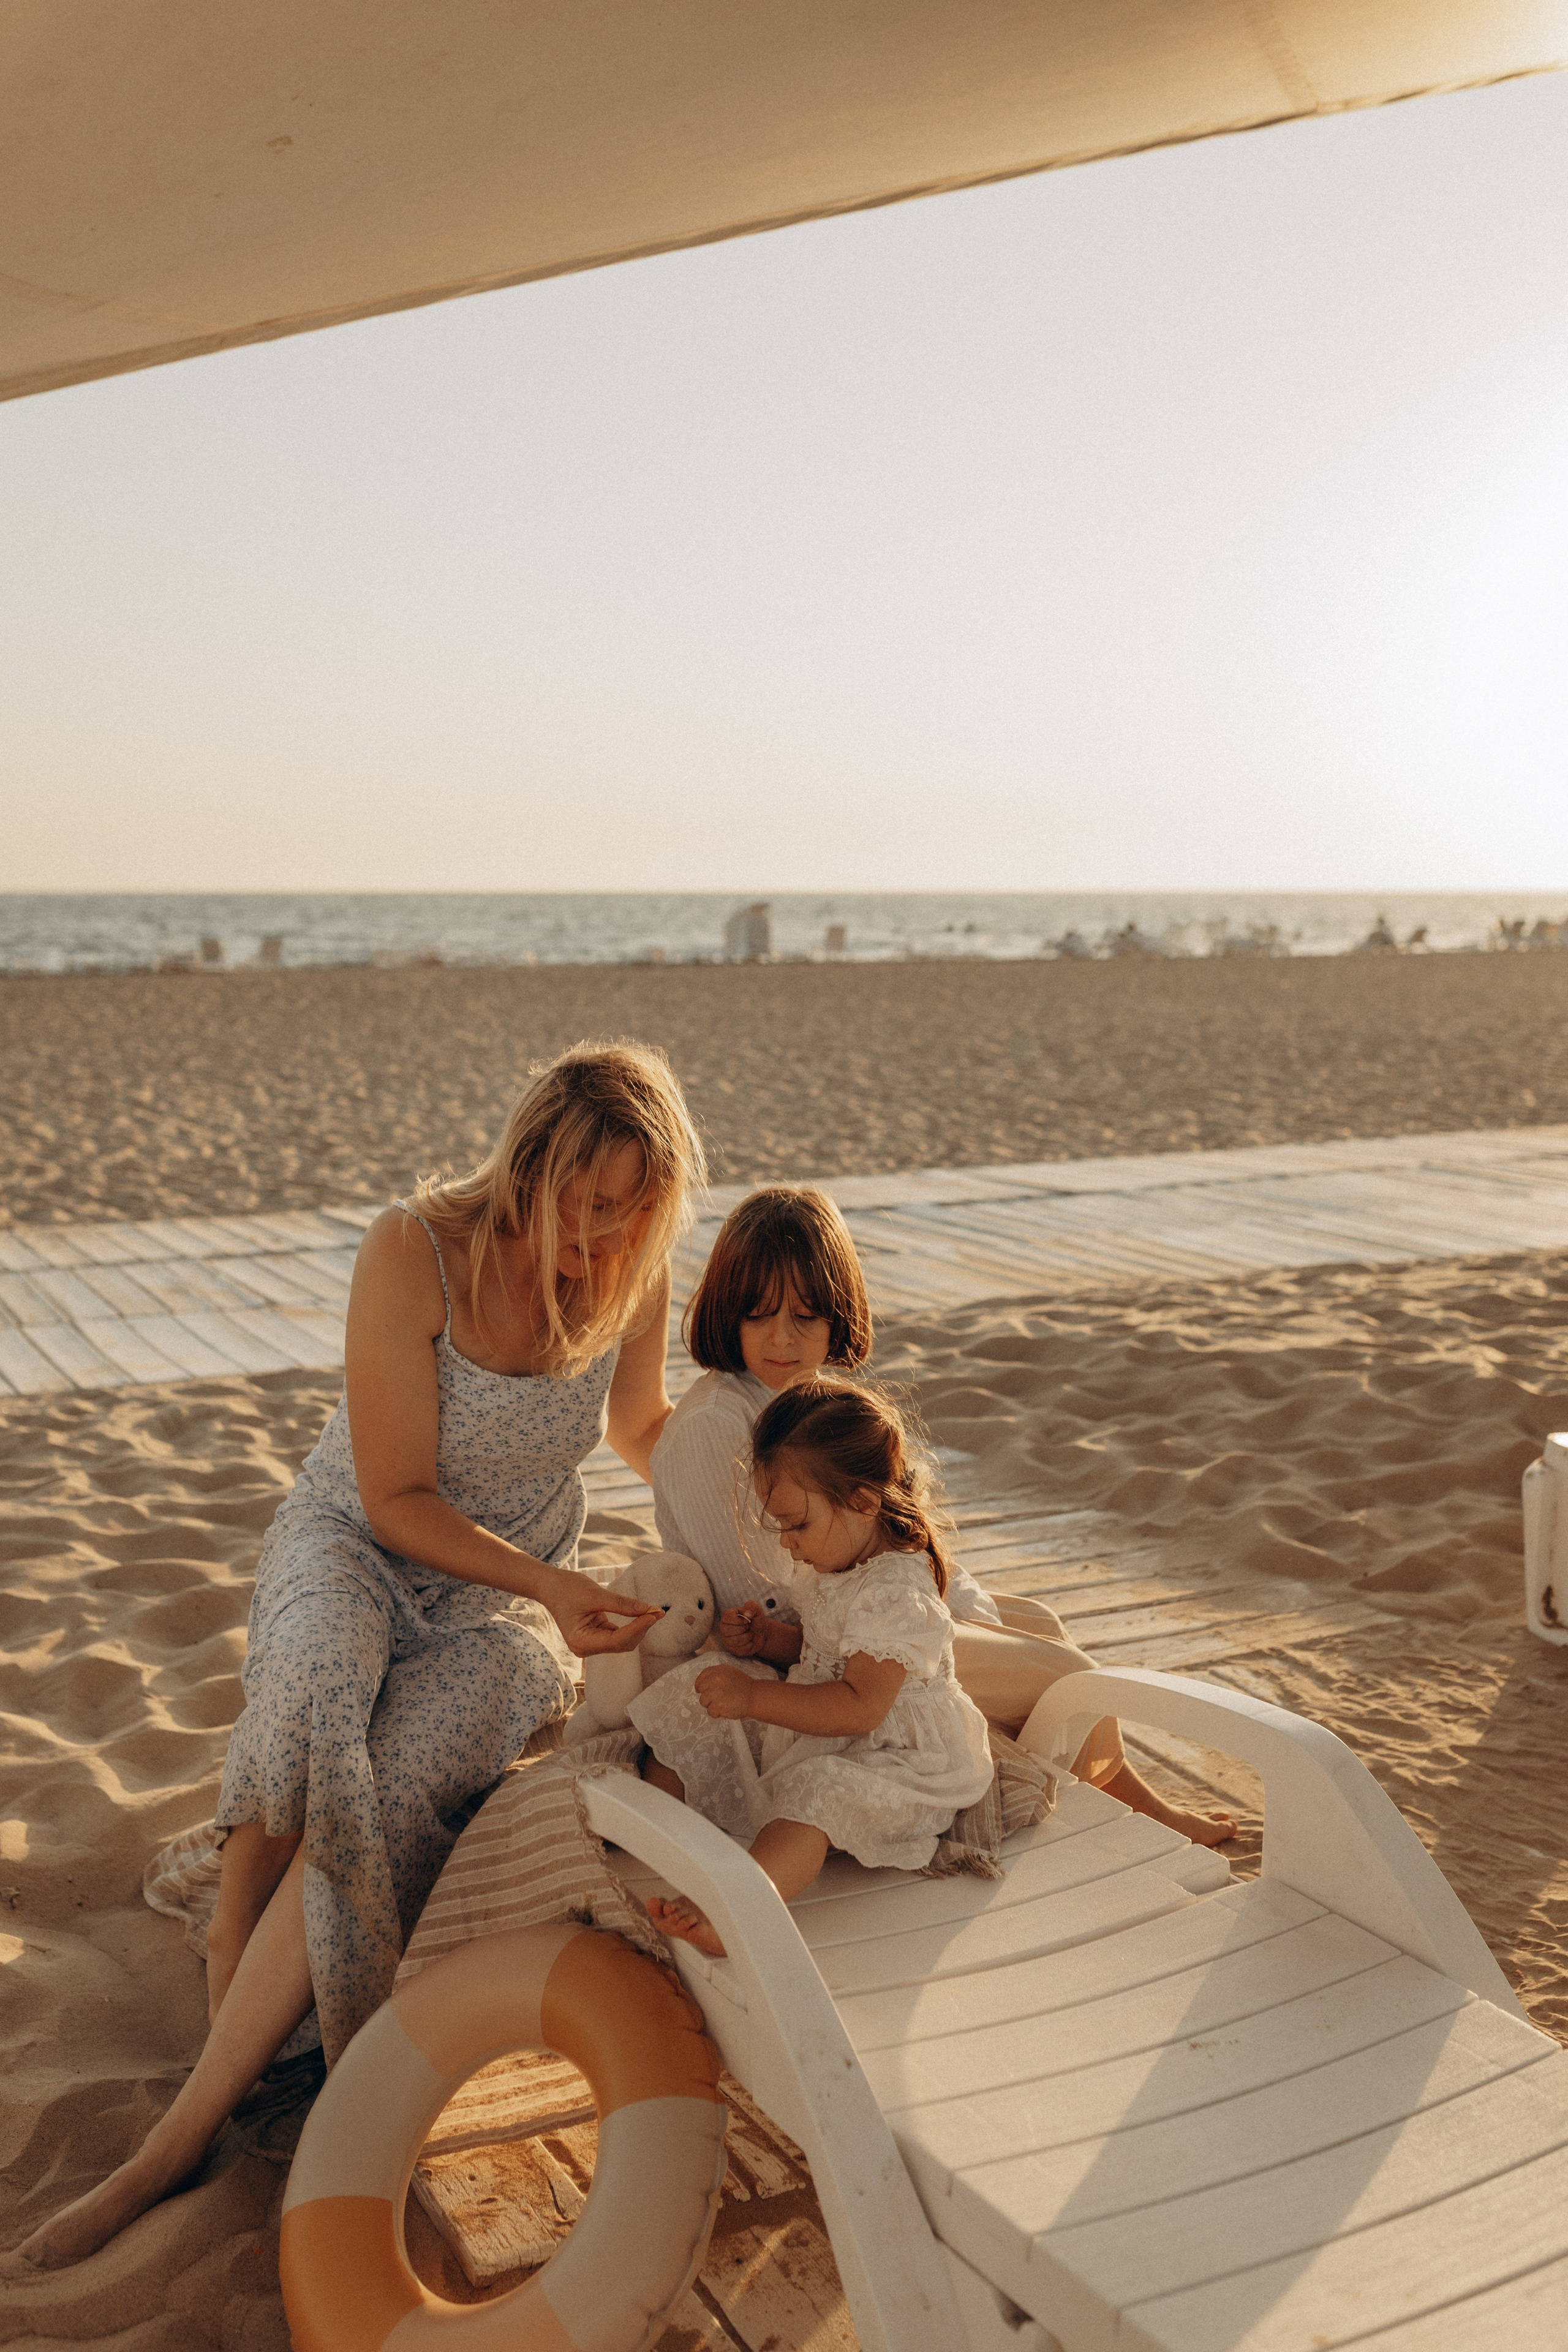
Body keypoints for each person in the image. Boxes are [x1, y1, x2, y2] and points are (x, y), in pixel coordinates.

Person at [18, 1039, 703, 2269]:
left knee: (387, 1785)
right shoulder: (416, 1250)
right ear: (531, 1163)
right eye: (582, 1207)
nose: (600, 1241)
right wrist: (553, 1577)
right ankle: (235, 1949)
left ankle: (185, 2126)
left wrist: (753, 1520)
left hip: (500, 1615)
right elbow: (392, 1496)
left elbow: (643, 1425)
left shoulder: (633, 1269)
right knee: (319, 1687)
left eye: (627, 1214)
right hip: (362, 1538)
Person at [649, 1185, 1234, 1843]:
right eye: (759, 1315)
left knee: (1039, 1622)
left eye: (807, 1317)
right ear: (727, 1313)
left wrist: (961, 1612)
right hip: (805, 1652)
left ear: (838, 1314)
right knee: (1066, 1675)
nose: (783, 1339)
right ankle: (1144, 1814)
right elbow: (761, 1599)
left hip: (859, 1605)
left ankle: (1102, 1786)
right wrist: (927, 1624)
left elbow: (897, 1531)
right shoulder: (715, 1426)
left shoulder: (811, 1402)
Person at [636, 1379, 995, 1955]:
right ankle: (664, 1835)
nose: (789, 1544)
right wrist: (770, 1641)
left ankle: (743, 1908)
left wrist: (755, 1700)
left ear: (863, 1502)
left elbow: (860, 1705)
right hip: (831, 1723)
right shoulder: (840, 1559)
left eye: (797, 1525)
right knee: (692, 1692)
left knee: (814, 1790)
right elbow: (820, 1651)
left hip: (900, 1758)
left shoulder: (897, 1594)